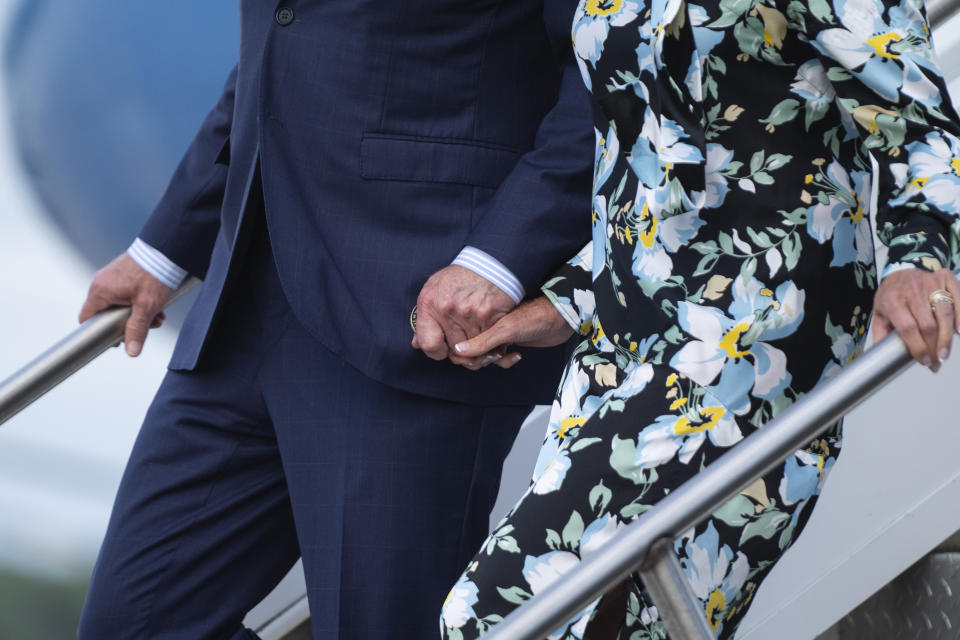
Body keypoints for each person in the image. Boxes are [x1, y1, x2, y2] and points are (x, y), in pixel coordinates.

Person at [439, 0, 960, 637]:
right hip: (620, 334)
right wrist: (568, 299)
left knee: (493, 614)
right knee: (630, 626)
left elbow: (916, 116)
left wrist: (918, 258)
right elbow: (643, 161)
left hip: (751, 333)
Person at [74, 2, 595, 639]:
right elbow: (285, 44)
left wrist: (499, 259)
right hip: (242, 312)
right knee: (135, 624)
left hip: (417, 313)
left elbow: (611, 67)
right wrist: (163, 247)